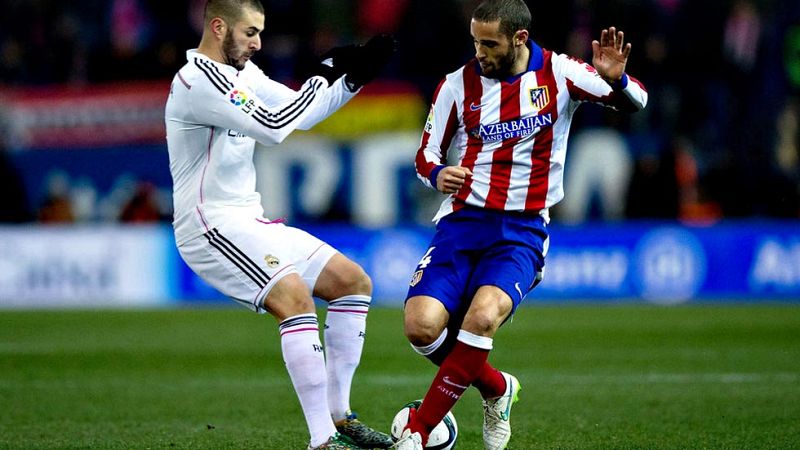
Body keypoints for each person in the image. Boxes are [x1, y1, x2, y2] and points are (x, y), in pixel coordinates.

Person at [393, 1, 647, 449]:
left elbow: (636, 102)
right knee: (421, 327)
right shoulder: (457, 85)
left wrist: (615, 78)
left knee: (482, 316)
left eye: (489, 43)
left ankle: (418, 431)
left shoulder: (561, 74)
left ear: (519, 39)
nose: (480, 52)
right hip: (462, 223)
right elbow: (425, 154)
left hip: (521, 231)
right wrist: (437, 174)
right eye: (475, 41)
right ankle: (497, 388)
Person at [164, 1, 395, 449]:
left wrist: (351, 79)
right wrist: (325, 71)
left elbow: (297, 110)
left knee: (352, 281)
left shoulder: (241, 75)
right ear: (218, 27)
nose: (257, 43)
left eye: (260, 33)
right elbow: (272, 127)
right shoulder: (197, 81)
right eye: (250, 32)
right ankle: (322, 440)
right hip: (208, 225)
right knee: (294, 298)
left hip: (249, 219)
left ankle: (341, 416)